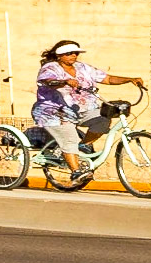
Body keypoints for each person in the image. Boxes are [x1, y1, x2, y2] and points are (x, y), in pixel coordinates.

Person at [33, 40, 142, 174]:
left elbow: (107, 78)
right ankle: (76, 172)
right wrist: (65, 81)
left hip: (82, 110)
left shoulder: (82, 68)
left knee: (103, 118)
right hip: (55, 112)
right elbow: (48, 81)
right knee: (70, 138)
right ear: (59, 55)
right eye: (69, 53)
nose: (74, 55)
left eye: (76, 53)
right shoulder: (50, 68)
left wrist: (129, 79)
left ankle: (82, 146)